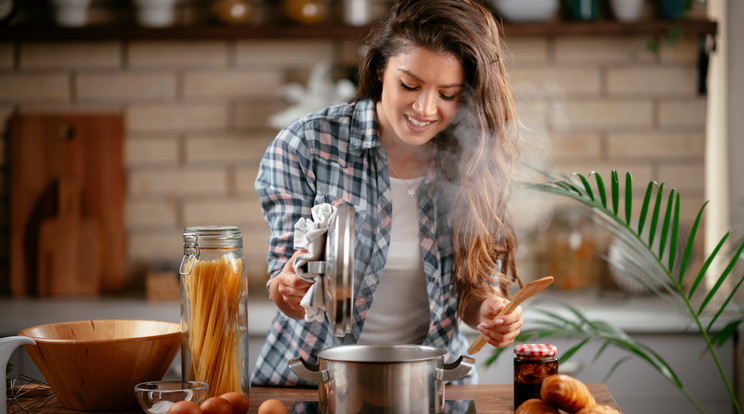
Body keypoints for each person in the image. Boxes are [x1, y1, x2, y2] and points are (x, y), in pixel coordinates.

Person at [251, 0, 524, 387]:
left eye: (447, 94)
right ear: (381, 69)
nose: (425, 107)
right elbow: (282, 287)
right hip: (314, 388)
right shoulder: (307, 144)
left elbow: (473, 290)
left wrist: (490, 310)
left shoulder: (473, 157)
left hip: (431, 391)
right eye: (409, 85)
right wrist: (290, 288)